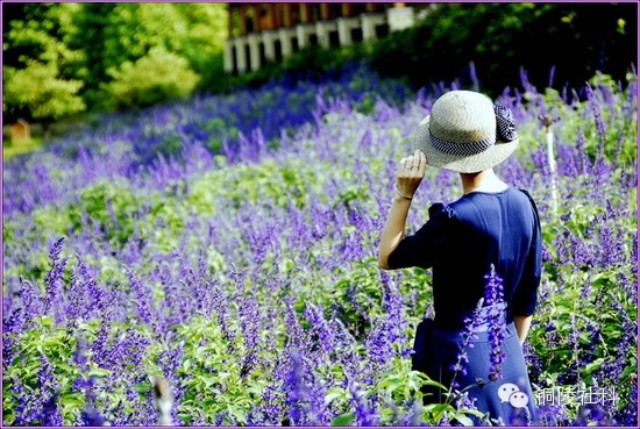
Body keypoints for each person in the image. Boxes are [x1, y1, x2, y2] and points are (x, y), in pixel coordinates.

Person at [378, 90, 542, 425]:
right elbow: (527, 295)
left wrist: (403, 195)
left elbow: (388, 257)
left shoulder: (453, 218)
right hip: (508, 350)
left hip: (459, 358)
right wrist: (508, 354)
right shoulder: (525, 203)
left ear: (446, 155)